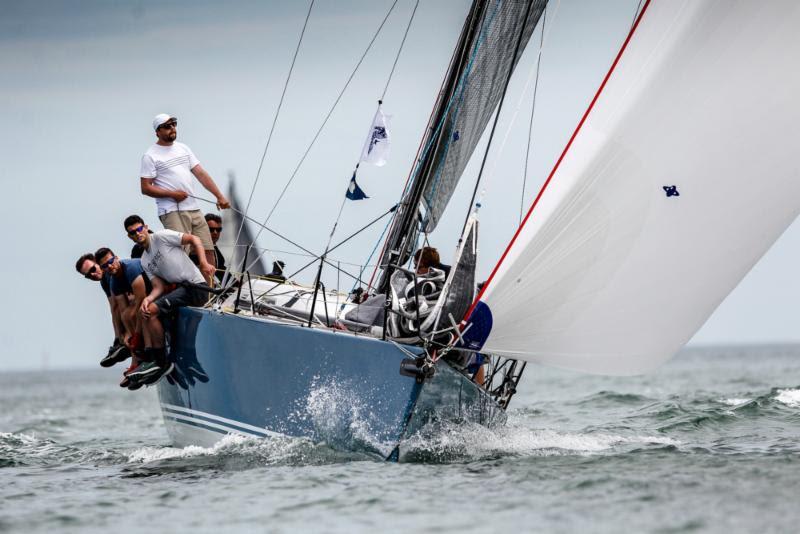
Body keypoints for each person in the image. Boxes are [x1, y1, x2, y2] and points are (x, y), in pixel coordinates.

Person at [124, 215, 215, 386]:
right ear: (129, 236)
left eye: (139, 229)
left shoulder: (161, 236)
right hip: (180, 291)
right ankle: (177, 360)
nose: (137, 234)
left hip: (194, 287)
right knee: (146, 311)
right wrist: (147, 299)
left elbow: (194, 238)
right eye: (132, 233)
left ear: (145, 227)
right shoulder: (145, 260)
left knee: (151, 312)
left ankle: (160, 362)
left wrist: (203, 262)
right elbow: (158, 287)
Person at [139, 113, 230, 278]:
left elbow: (201, 173)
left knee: (208, 248)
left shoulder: (183, 148)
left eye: (174, 124)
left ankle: (210, 294)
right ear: (157, 132)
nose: (172, 128)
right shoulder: (150, 155)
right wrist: (172, 194)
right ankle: (190, 289)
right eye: (167, 126)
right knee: (181, 252)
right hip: (172, 210)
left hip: (193, 208)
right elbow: (145, 188)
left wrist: (219, 196)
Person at [94, 248, 151, 385]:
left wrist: (136, 334)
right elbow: (120, 309)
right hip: (144, 298)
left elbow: (140, 302)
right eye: (104, 266)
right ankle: (138, 360)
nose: (109, 266)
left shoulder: (130, 268)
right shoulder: (112, 280)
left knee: (142, 312)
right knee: (127, 315)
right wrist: (123, 336)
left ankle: (149, 356)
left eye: (111, 261)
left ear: (117, 258)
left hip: (158, 289)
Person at [75, 253, 130, 367]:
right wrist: (117, 337)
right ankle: (123, 345)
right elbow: (113, 309)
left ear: (98, 263)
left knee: (128, 312)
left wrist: (124, 334)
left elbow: (120, 305)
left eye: (93, 269)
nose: (93, 274)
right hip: (128, 308)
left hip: (140, 301)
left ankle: (136, 356)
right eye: (89, 275)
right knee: (120, 313)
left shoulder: (111, 272)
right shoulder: (103, 280)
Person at [204, 213, 227, 283]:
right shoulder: (195, 248)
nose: (215, 233)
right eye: (211, 229)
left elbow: (221, 271)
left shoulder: (217, 252)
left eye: (218, 230)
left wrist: (237, 283)